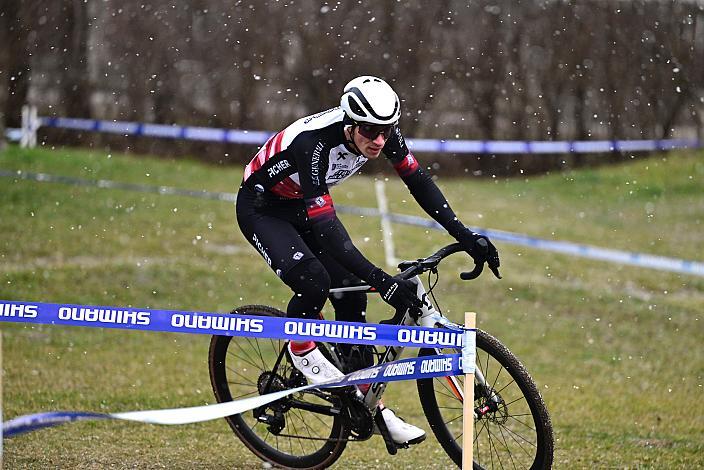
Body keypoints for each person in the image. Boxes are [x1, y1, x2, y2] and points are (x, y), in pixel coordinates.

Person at [236, 76, 500, 446]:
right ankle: (299, 348)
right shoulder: (313, 145)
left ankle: (364, 400)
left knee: (351, 291)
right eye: (369, 131)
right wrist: (383, 279)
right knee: (314, 280)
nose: (378, 140)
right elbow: (328, 232)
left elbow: (419, 182)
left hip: (299, 205)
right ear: (349, 124)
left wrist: (467, 236)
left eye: (385, 131)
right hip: (263, 208)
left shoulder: (382, 133)